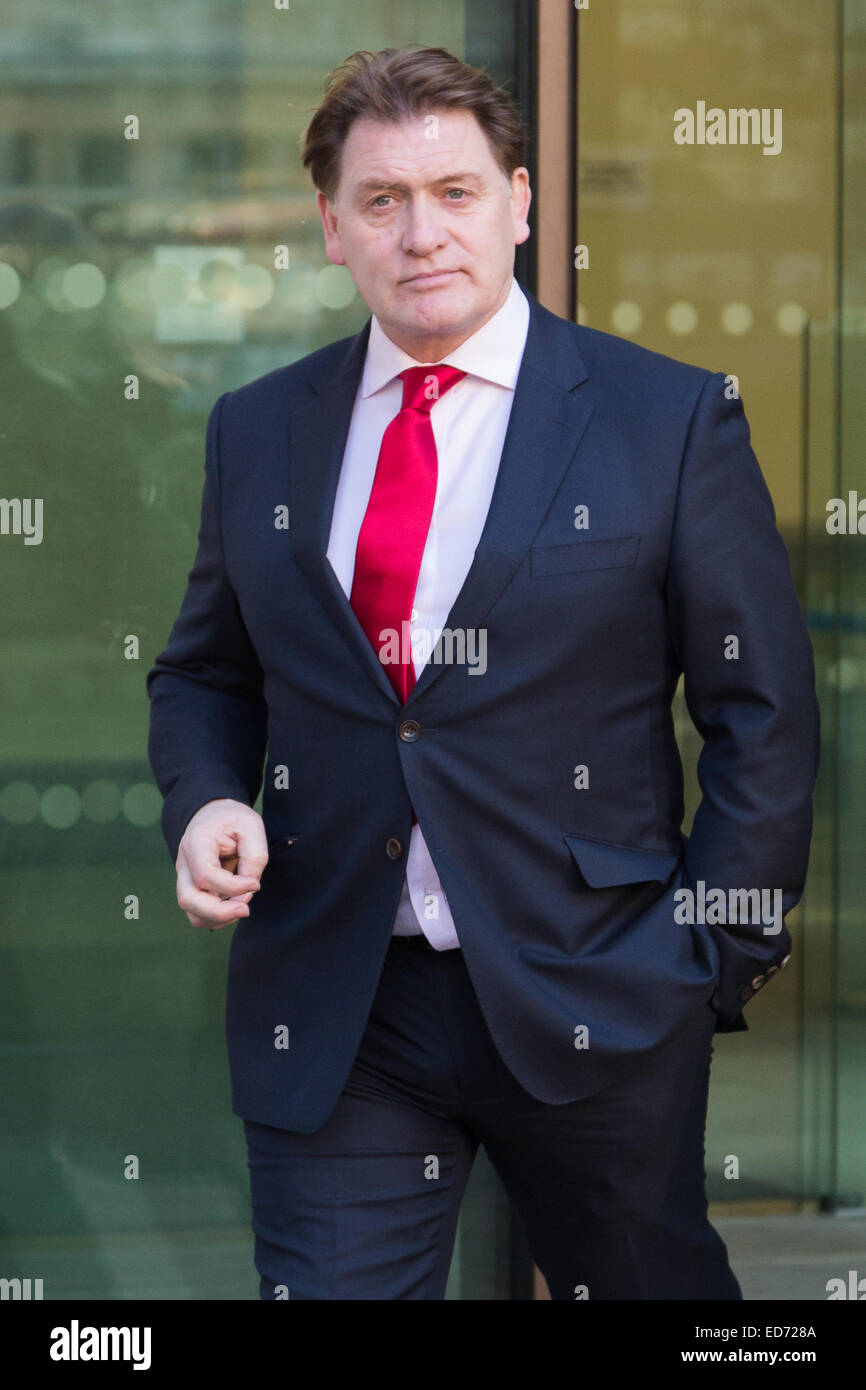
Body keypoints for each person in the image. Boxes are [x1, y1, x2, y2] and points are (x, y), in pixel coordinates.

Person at [146, 45, 820, 1300]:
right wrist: (208, 803)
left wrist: (706, 961)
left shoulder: (663, 419)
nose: (422, 233)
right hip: (342, 999)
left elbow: (761, 711)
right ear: (332, 229)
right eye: (383, 201)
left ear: (518, 202)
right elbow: (204, 673)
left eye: (455, 193)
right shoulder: (258, 426)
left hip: (599, 986)